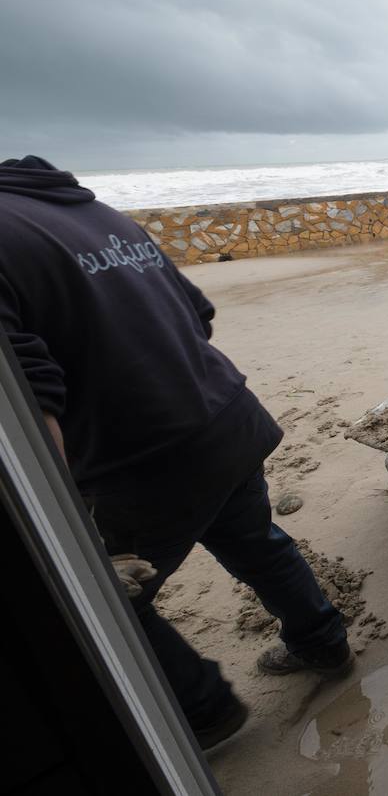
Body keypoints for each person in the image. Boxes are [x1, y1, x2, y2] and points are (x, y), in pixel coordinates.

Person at [0, 155, 353, 750]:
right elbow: (200, 315)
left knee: (107, 598)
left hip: (145, 461)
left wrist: (66, 538)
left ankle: (205, 708)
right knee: (259, 545)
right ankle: (325, 646)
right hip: (227, 419)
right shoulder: (101, 214)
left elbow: (30, 402)